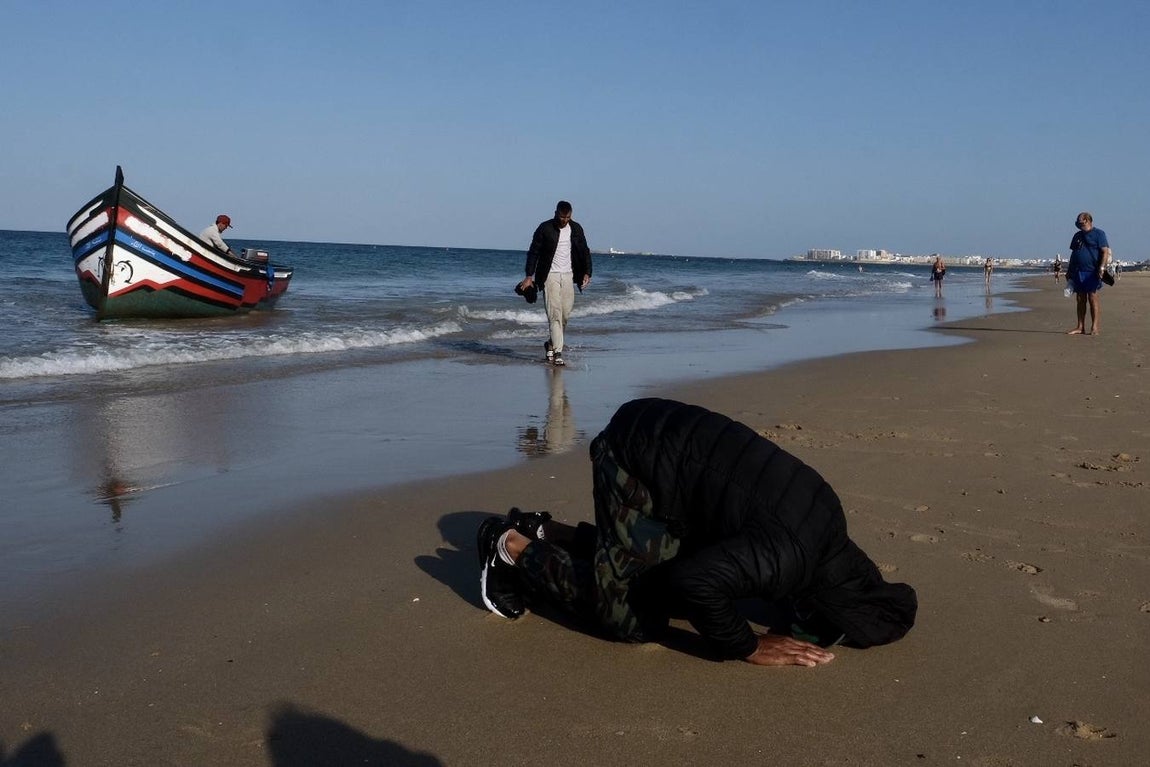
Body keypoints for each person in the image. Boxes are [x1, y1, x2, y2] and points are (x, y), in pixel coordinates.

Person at [477, 398, 918, 667]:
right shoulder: (788, 559)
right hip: (632, 457)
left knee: (664, 571)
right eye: (819, 626)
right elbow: (696, 582)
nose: (798, 626)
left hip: (665, 435)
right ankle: (509, 547)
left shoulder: (830, 525)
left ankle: (546, 531)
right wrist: (747, 645)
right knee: (632, 617)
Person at [517, 201, 592, 367]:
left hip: (569, 275)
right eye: (562, 217)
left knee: (565, 315)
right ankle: (558, 351)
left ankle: (550, 343)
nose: (564, 220)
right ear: (555, 213)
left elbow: (584, 251)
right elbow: (533, 252)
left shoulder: (576, 229)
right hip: (549, 275)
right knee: (555, 314)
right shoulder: (544, 228)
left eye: (567, 217)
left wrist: (587, 272)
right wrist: (529, 276)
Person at [1065, 212, 1111, 336]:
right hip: (1078, 271)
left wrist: (1102, 267)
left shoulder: (1099, 234)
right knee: (1080, 299)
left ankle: (1094, 327)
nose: (1078, 223)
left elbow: (1105, 251)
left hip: (1093, 271)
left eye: (1080, 220)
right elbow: (1074, 254)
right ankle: (1080, 327)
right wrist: (1069, 270)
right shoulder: (1077, 236)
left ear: (1087, 220)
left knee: (1092, 297)